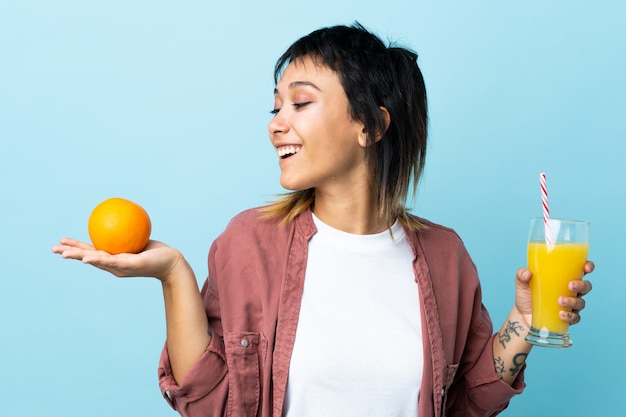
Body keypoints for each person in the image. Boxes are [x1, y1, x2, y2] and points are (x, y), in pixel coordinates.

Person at [52, 23, 595, 417]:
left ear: (371, 125)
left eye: (300, 103)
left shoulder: (445, 255)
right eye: (275, 107)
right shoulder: (248, 243)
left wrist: (524, 323)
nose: (276, 125)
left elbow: (471, 402)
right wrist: (172, 273)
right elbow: (209, 402)